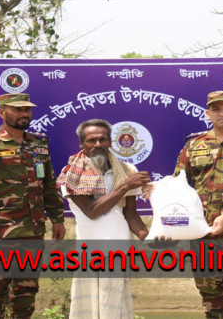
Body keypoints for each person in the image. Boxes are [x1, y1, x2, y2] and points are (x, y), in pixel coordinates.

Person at [153, 90, 223, 318]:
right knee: (211, 299)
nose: (222, 113)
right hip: (202, 234)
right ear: (208, 113)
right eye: (216, 109)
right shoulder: (194, 145)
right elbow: (178, 187)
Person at [0, 93, 66, 318]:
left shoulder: (38, 143)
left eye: (26, 110)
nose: (23, 114)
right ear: (2, 112)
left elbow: (48, 184)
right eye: (17, 109)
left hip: (33, 232)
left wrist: (57, 219)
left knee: (26, 292)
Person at [57, 119, 150, 319]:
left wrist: (150, 239)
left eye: (103, 139)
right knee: (87, 310)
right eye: (91, 140)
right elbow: (92, 210)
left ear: (110, 142)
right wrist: (124, 186)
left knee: (114, 309)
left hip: (119, 252)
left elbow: (130, 214)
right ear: (81, 144)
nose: (98, 145)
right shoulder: (70, 174)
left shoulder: (125, 170)